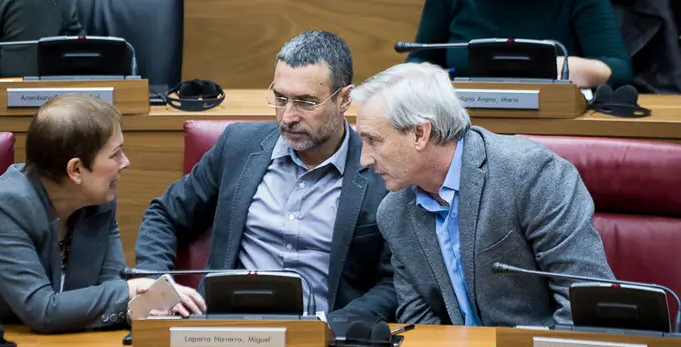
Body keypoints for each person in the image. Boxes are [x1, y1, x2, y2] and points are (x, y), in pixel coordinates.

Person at [135, 31, 397, 321]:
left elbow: (393, 282)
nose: (287, 117)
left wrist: (332, 326)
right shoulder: (237, 146)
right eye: (280, 99)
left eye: (306, 102)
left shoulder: (381, 172)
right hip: (223, 331)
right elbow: (164, 215)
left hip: (325, 336)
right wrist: (158, 289)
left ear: (344, 99)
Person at [351, 62, 615, 327]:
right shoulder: (393, 212)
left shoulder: (530, 173)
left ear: (420, 133)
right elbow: (417, 316)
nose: (364, 159)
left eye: (373, 140)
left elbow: (586, 300)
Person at [0, 94, 205, 333]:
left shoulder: (98, 201)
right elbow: (42, 310)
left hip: (42, 346)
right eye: (115, 154)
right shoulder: (2, 208)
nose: (126, 162)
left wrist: (142, 305)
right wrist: (131, 290)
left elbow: (107, 288)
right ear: (75, 170)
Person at [405, 0, 632, 88]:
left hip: (555, 128)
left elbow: (619, 69)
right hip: (463, 123)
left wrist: (558, 66)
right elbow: (418, 59)